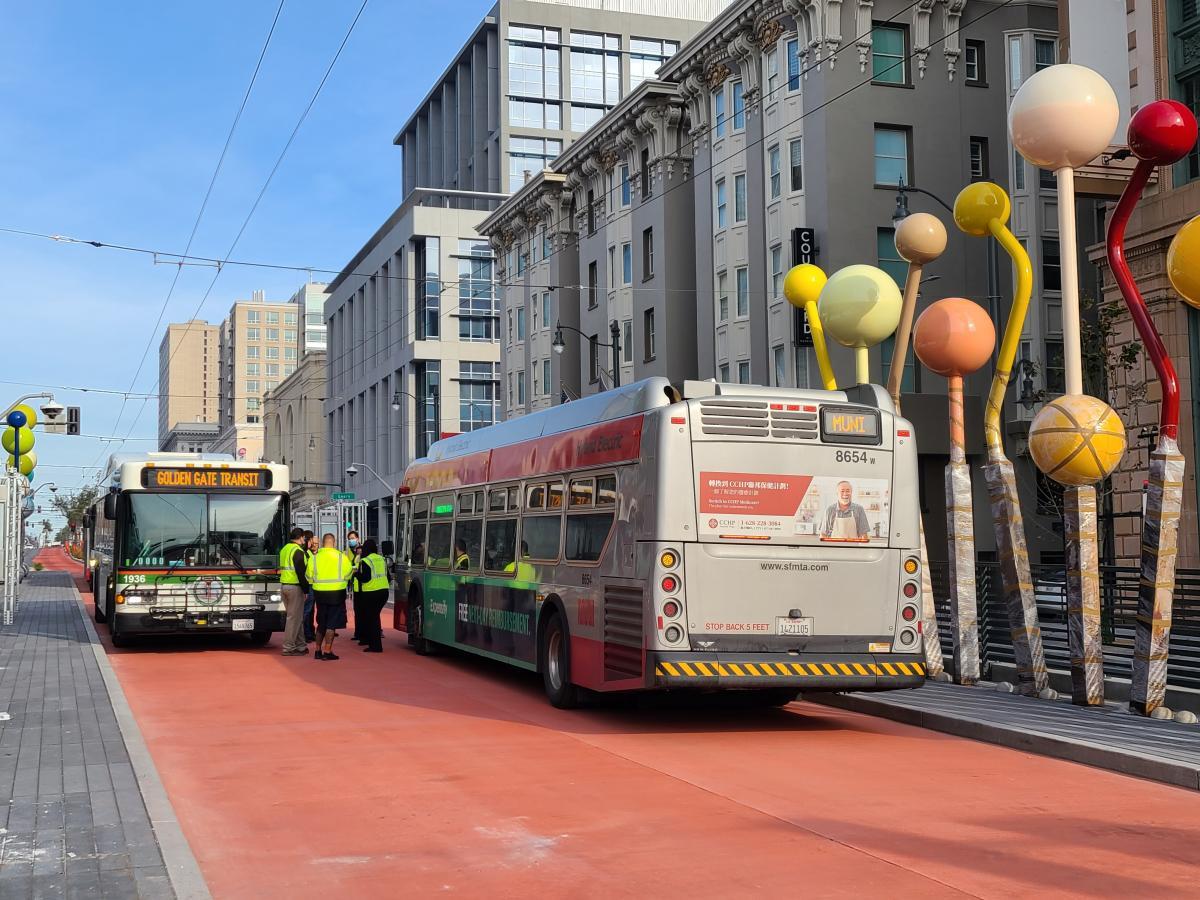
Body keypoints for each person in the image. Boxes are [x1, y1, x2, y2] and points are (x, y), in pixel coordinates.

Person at [306, 534, 351, 660]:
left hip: (319, 594)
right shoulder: (342, 557)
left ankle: (317, 651)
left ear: (322, 543)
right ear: (334, 542)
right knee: (331, 624)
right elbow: (348, 575)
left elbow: (308, 577)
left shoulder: (314, 558)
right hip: (336, 593)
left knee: (321, 623)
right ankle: (328, 651)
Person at [354, 539, 390, 652]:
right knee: (374, 617)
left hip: (371, 592)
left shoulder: (365, 560)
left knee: (372, 618)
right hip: (384, 591)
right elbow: (388, 576)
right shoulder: (382, 559)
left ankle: (375, 646)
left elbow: (365, 578)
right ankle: (372, 642)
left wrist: (356, 575)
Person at [278, 528, 309, 656]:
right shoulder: (297, 551)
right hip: (295, 587)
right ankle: (288, 647)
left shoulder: (285, 549)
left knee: (296, 618)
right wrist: (306, 589)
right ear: (301, 537)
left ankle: (301, 646)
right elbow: (301, 573)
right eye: (304, 538)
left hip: (284, 586)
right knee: (293, 619)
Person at [345, 530, 363, 641]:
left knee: (364, 611)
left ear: (358, 538)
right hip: (354, 584)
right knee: (357, 610)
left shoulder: (362, 551)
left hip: (364, 584)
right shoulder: (347, 552)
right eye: (349, 539)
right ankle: (358, 632)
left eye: (353, 538)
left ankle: (371, 631)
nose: (351, 540)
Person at [301, 531, 316, 643]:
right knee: (307, 611)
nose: (312, 543)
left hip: (311, 584)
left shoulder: (308, 553)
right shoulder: (305, 553)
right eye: (311, 541)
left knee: (310, 611)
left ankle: (309, 632)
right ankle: (305, 634)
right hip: (309, 585)